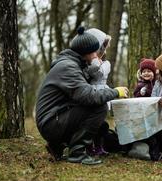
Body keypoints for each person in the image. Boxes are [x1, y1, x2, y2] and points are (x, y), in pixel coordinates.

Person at [35, 27, 129, 165]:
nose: (98, 55)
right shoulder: (69, 67)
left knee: (100, 124)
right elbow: (89, 96)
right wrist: (115, 92)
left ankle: (58, 145)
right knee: (99, 107)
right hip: (51, 123)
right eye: (96, 51)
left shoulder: (73, 64)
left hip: (53, 118)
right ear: (90, 52)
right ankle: (77, 153)